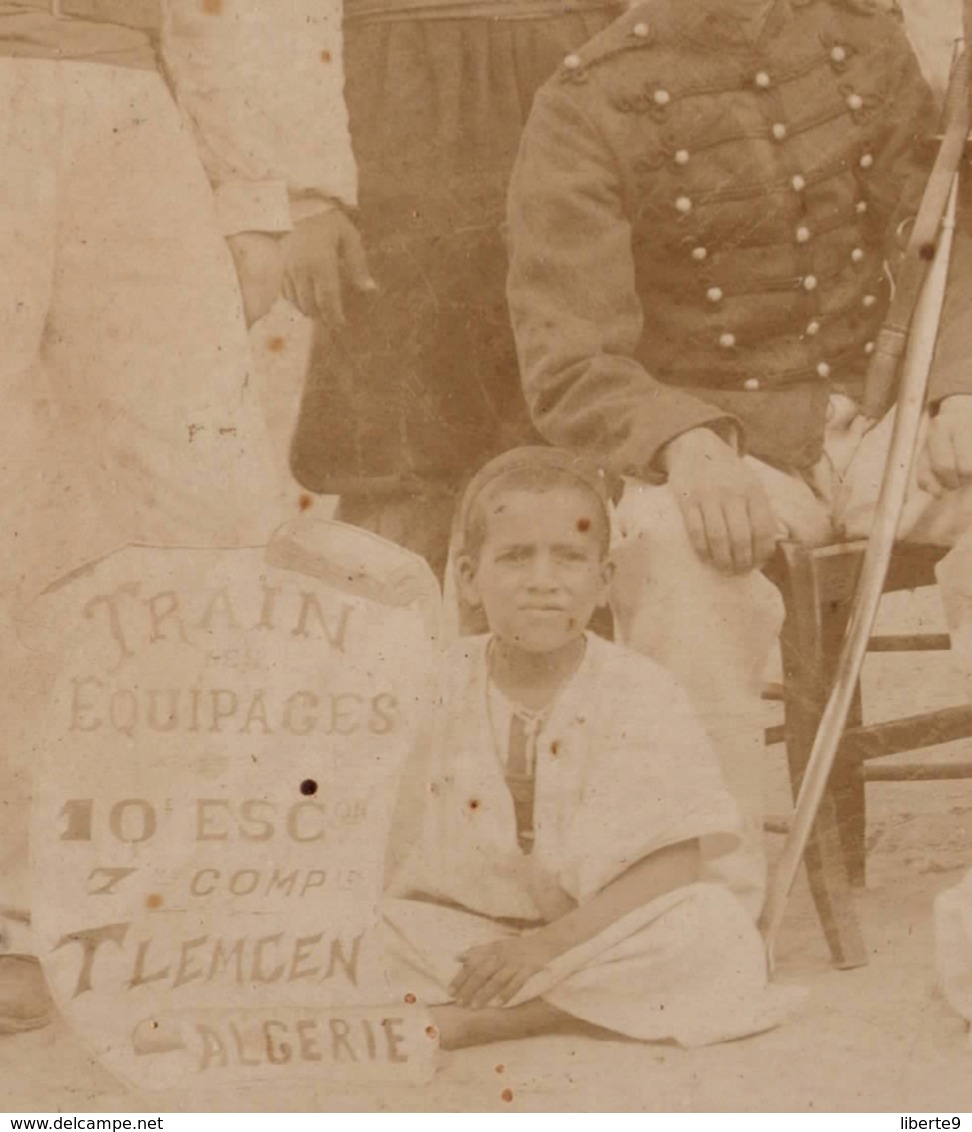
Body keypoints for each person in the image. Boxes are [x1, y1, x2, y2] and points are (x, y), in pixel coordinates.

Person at [506, 0, 972, 915]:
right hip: (724, 446)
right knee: (679, 561)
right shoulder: (585, 101)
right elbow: (570, 358)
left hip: (889, 416)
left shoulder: (861, 41)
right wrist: (682, 441)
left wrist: (960, 384)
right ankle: (701, 909)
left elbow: (955, 237)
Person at [0, 0, 355, 1031]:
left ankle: (168, 899)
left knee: (207, 501)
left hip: (129, 109)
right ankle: (16, 909)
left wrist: (252, 198)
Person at [382, 447, 802, 1051]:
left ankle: (500, 1019)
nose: (543, 581)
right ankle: (572, 1001)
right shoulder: (435, 684)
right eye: (516, 557)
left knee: (714, 933)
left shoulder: (641, 688)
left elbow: (675, 863)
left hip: (596, 933)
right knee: (356, 934)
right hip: (471, 931)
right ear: (469, 578)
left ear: (605, 581)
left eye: (570, 558)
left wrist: (545, 949)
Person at [286, 0, 625, 582]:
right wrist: (308, 195)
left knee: (576, 429)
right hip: (403, 91)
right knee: (400, 456)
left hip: (579, 67)